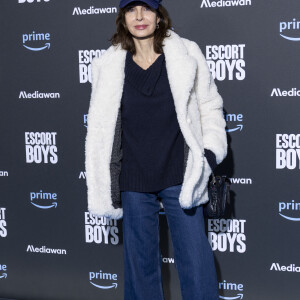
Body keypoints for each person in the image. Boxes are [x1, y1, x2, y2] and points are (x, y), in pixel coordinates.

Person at [85, 0, 228, 299]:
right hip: (133, 179)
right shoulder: (107, 65)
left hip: (181, 174)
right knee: (140, 270)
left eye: (146, 8)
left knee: (196, 263)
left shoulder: (186, 53)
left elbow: (210, 107)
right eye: (131, 9)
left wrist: (210, 156)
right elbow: (101, 128)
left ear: (158, 15)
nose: (139, 16)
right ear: (122, 18)